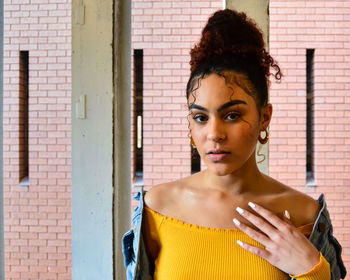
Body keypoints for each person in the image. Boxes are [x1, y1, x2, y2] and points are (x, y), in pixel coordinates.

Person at [122, 9, 347, 280]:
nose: (214, 133)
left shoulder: (304, 215)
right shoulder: (156, 207)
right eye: (201, 117)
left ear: (264, 117)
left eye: (232, 115)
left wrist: (312, 270)